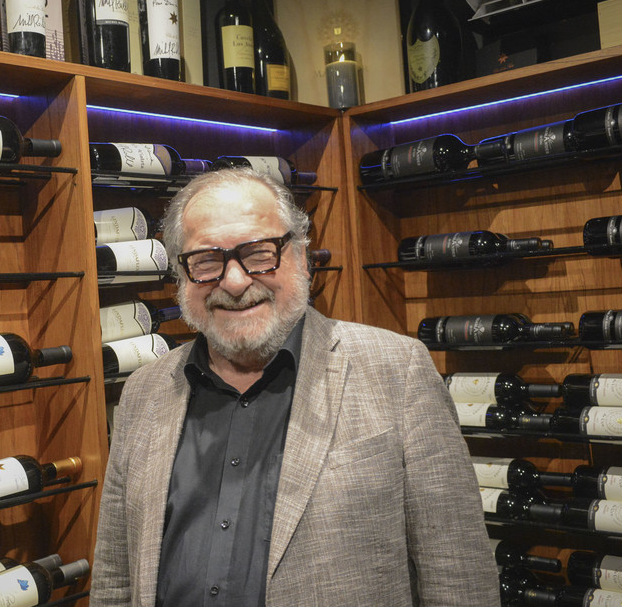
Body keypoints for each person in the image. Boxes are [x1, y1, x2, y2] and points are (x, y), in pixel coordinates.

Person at [90, 168, 499, 606]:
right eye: (206, 260)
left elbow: (458, 575)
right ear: (182, 276)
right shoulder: (144, 392)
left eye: (259, 253)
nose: (234, 281)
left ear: (301, 257)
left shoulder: (397, 371)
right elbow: (116, 579)